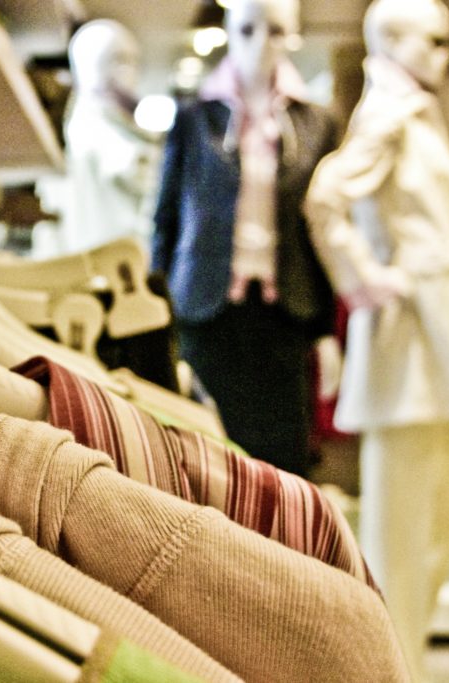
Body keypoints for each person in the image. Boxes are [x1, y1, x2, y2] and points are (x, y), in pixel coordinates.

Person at [304, 1, 449, 679]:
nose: (445, 55)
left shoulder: (416, 111)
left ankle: (403, 665)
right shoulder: (386, 113)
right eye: (434, 41)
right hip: (409, 349)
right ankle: (390, 670)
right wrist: (366, 279)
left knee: (437, 531)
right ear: (390, 39)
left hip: (443, 346)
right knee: (401, 542)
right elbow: (326, 197)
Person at [151, 0, 337, 477]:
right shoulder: (194, 119)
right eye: (247, 29)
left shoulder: (316, 124)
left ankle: (279, 549)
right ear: (231, 31)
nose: (260, 42)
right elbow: (165, 217)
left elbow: (324, 229)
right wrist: (157, 304)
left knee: (282, 459)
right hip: (205, 305)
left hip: (285, 310)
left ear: (293, 35)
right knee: (205, 454)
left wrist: (326, 330)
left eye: (275, 30)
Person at [59, 19, 161, 254]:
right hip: (108, 261)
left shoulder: (122, 124)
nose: (129, 70)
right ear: (92, 63)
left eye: (134, 61)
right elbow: (128, 169)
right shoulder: (88, 124)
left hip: (129, 259)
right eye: (119, 59)